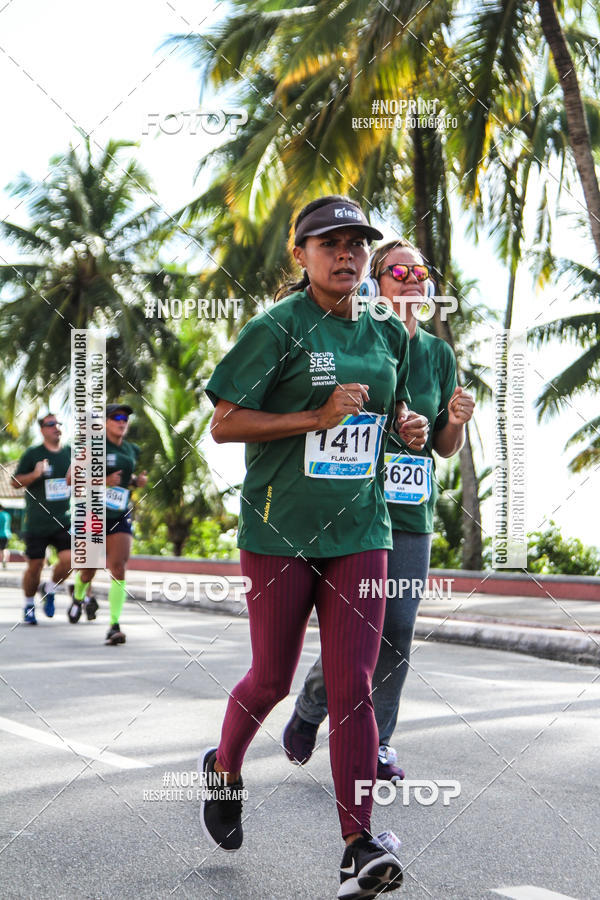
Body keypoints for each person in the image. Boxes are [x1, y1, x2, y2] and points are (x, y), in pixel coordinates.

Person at [200, 196, 428, 900]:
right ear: (300, 254)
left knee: (353, 683)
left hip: (362, 529)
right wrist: (315, 416)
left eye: (356, 243)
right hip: (280, 530)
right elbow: (225, 424)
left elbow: (388, 408)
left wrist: (406, 426)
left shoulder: (388, 331)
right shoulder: (277, 327)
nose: (346, 254)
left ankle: (358, 844)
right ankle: (224, 769)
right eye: (330, 243)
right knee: (271, 678)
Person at [282, 238, 476, 782]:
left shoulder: (438, 354)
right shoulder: (360, 338)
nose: (413, 280)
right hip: (358, 507)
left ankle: (378, 744)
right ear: (376, 282)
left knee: (399, 627)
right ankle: (310, 708)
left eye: (420, 272)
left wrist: (455, 421)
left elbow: (444, 447)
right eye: (399, 271)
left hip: (411, 511)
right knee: (360, 628)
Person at [67, 404, 147, 645]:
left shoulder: (131, 450)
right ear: (105, 422)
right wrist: (103, 480)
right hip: (93, 513)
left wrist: (136, 481)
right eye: (116, 417)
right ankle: (78, 596)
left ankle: (114, 625)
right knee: (89, 570)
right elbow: (71, 479)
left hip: (119, 513)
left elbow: (124, 479)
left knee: (118, 568)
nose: (122, 422)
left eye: (125, 418)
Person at [11, 414, 72, 625]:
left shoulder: (70, 453)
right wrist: (35, 474)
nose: (56, 427)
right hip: (37, 522)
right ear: (42, 429)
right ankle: (29, 605)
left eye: (59, 423)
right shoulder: (33, 454)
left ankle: (50, 588)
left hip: (64, 519)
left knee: (72, 559)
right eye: (51, 424)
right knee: (35, 565)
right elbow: (15, 482)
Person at [0, 503, 12, 568]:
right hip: (7, 534)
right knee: (5, 548)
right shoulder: (7, 515)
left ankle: (2, 560)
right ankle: (5, 560)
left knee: (1, 549)